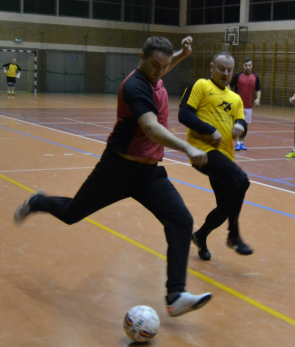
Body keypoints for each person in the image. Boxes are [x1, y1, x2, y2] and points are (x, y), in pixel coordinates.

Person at [13, 36, 213, 318]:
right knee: (71, 214)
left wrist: (183, 53)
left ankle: (176, 295)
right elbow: (151, 128)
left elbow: (163, 66)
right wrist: (187, 147)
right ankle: (38, 202)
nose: (160, 71)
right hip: (117, 170)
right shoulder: (135, 86)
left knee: (181, 220)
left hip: (149, 175)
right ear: (141, 57)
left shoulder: (155, 73)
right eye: (156, 65)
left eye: (165, 66)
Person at [180, 52, 253, 261]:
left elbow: (241, 121)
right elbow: (184, 114)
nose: (225, 73)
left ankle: (200, 236)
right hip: (203, 151)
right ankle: (233, 235)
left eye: (229, 70)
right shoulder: (201, 86)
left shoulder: (235, 98)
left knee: (225, 208)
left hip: (224, 157)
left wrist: (241, 126)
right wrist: (210, 130)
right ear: (212, 67)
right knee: (241, 181)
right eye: (221, 69)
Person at [228, 57, 261, 151]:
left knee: (245, 126)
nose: (248, 67)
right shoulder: (238, 76)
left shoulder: (255, 77)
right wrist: (228, 97)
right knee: (237, 124)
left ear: (252, 66)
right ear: (243, 66)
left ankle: (241, 142)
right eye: (246, 65)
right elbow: (229, 86)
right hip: (238, 106)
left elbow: (258, 89)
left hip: (248, 106)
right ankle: (237, 142)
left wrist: (258, 99)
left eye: (249, 65)